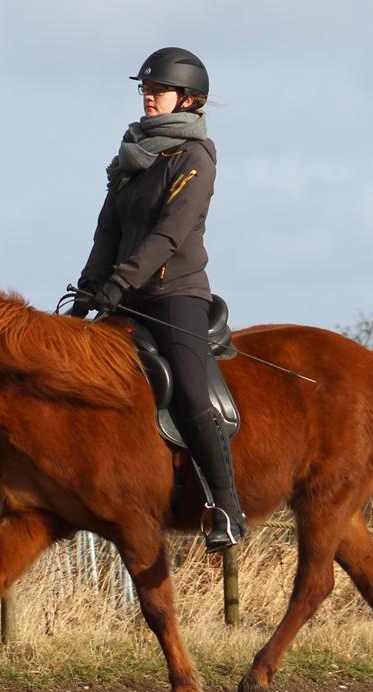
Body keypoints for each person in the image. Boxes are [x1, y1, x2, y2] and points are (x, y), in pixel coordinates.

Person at [69, 47, 246, 553]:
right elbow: (108, 230)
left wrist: (119, 283)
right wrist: (87, 291)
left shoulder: (195, 157)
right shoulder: (131, 155)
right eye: (144, 89)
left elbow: (169, 235)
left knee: (191, 393)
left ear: (188, 100)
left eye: (158, 90)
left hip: (175, 293)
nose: (148, 97)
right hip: (122, 294)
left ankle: (227, 508)